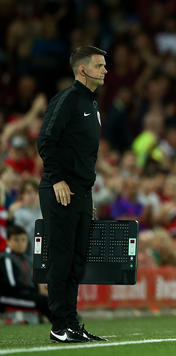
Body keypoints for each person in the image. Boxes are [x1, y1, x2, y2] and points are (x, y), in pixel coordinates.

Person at [37, 46, 108, 343]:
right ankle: (59, 325)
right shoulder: (67, 99)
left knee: (77, 262)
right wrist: (57, 180)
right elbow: (45, 140)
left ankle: (71, 324)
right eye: (100, 65)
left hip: (80, 193)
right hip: (61, 191)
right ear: (83, 70)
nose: (105, 70)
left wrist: (85, 195)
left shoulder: (92, 104)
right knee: (61, 259)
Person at [0, 225, 51, 322]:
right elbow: (13, 285)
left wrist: (40, 289)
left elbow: (29, 280)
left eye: (23, 240)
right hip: (6, 297)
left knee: (48, 298)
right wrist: (36, 290)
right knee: (43, 301)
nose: (20, 243)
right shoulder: (6, 258)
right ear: (8, 241)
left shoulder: (25, 258)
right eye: (16, 240)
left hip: (22, 294)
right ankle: (60, 327)